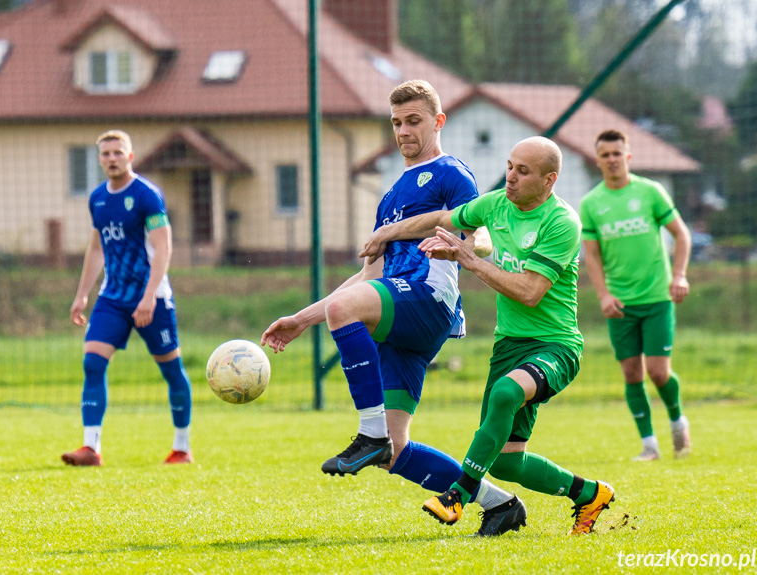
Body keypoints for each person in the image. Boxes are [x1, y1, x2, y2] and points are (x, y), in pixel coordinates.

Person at [261, 80, 523, 537]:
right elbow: (366, 279)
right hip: (399, 311)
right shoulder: (389, 196)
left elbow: (479, 232)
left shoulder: (450, 174)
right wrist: (302, 320)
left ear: (438, 122)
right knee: (396, 454)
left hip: (426, 298)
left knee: (349, 317)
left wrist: (472, 246)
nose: (403, 130)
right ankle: (501, 504)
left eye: (414, 121)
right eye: (397, 122)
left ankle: (369, 431)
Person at [363, 136, 614, 536]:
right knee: (507, 462)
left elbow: (530, 293)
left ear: (549, 180)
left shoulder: (562, 223)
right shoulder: (496, 204)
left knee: (504, 394)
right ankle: (589, 494)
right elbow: (441, 218)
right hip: (508, 347)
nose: (510, 178)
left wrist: (467, 259)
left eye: (523, 171)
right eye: (510, 166)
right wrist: (387, 232)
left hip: (556, 346)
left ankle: (457, 495)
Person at [61, 130, 193, 467]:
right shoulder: (97, 199)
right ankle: (91, 448)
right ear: (100, 159)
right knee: (92, 362)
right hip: (113, 296)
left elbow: (164, 248)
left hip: (153, 298)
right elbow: (96, 248)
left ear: (130, 156)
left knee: (171, 370)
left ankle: (182, 448)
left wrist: (149, 297)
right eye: (105, 154)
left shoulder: (147, 195)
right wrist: (82, 295)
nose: (112, 158)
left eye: (118, 152)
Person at [580, 129, 692, 461]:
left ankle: (677, 420)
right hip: (620, 303)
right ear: (597, 160)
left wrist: (680, 274)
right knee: (632, 373)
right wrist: (603, 295)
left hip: (657, 298)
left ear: (628, 156)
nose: (612, 159)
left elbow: (681, 235)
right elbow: (593, 256)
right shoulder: (591, 203)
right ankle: (649, 445)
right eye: (605, 154)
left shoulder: (651, 192)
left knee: (658, 372)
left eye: (617, 153)